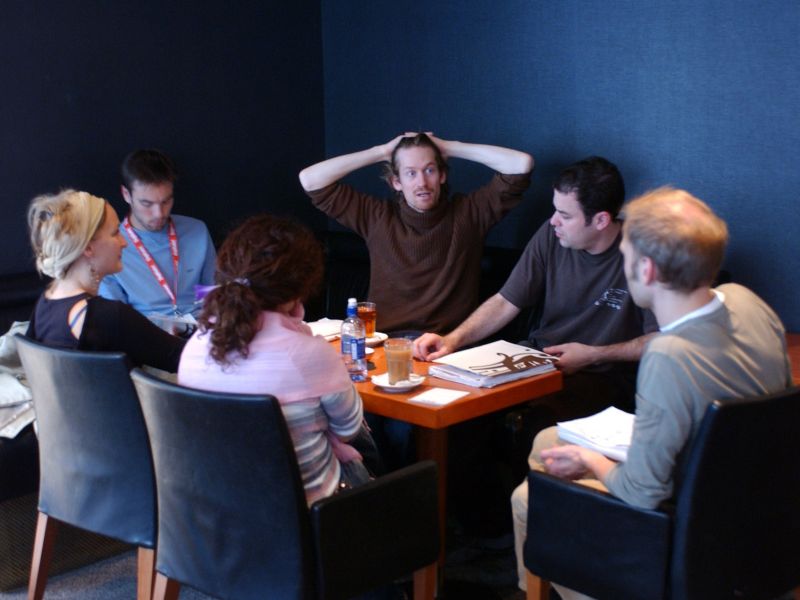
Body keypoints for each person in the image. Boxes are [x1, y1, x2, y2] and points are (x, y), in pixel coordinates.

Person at [510, 188, 793, 598]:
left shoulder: (668, 356)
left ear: (647, 271)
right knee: (546, 441)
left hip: (689, 518)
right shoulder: (748, 302)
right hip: (753, 498)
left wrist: (590, 459)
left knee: (528, 499)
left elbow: (642, 494)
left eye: (625, 258)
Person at [415, 156, 658, 415]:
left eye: (565, 215)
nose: (554, 221)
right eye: (555, 210)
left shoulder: (641, 254)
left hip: (601, 374)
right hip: (536, 360)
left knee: (537, 414)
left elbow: (662, 340)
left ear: (600, 221)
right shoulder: (551, 235)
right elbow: (506, 301)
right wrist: (452, 340)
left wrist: (594, 354)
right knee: (453, 397)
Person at [178, 215, 373, 506]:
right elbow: (349, 429)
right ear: (298, 288)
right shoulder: (311, 354)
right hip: (306, 520)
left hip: (215, 517)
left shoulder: (194, 348)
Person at [299, 132, 533, 334]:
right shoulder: (376, 216)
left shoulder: (469, 214)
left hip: (448, 348)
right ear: (396, 182)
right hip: (384, 344)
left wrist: (448, 147)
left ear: (442, 176)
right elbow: (310, 179)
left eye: (429, 170)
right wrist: (382, 151)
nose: (422, 182)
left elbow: (521, 165)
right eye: (411, 173)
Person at [26, 189, 185, 372]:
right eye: (115, 232)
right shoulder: (108, 317)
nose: (124, 242)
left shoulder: (44, 304)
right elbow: (185, 360)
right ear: (88, 248)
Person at [99, 149, 216, 318]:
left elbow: (212, 294)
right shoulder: (109, 245)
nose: (159, 213)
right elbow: (115, 318)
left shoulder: (197, 231)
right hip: (144, 337)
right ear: (126, 195)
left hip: (199, 332)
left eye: (166, 201)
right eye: (147, 203)